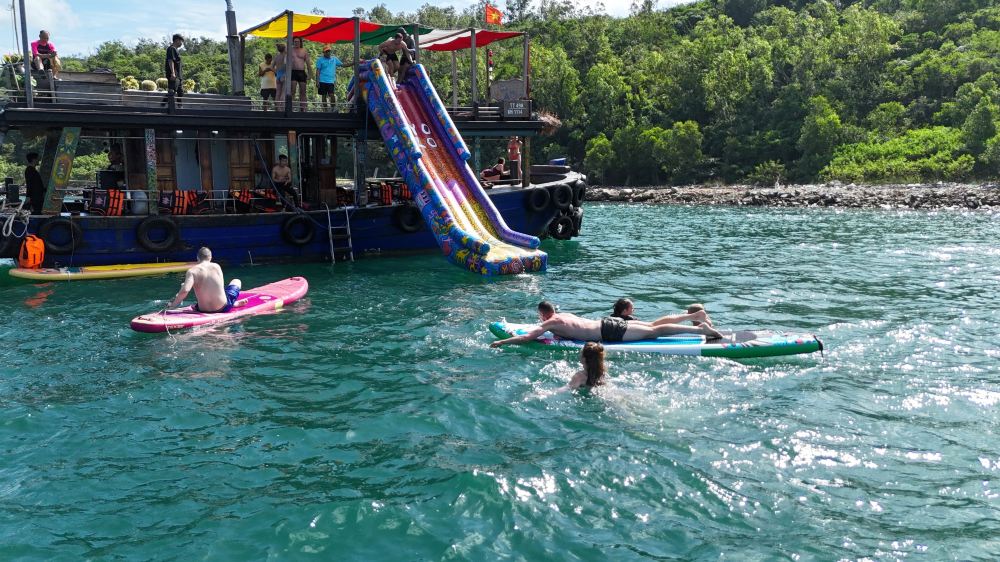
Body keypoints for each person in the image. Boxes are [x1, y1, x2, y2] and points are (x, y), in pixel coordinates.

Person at [490, 301, 723, 348]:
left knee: (654, 332)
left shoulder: (550, 323)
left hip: (608, 332)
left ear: (543, 315)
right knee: (653, 326)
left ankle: (698, 328)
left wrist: (502, 342)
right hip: (606, 323)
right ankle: (692, 317)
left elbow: (526, 337)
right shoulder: (563, 315)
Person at [164, 247, 245, 313]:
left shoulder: (192, 271)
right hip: (223, 307)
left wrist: (172, 306)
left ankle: (233, 303)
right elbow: (220, 287)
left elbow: (185, 290)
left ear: (197, 258)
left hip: (202, 309)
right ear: (210, 257)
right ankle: (232, 303)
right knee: (236, 281)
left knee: (185, 286)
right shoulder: (216, 266)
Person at [612, 298, 714, 328]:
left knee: (654, 325)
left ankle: (691, 315)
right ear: (624, 311)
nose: (634, 310)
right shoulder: (630, 320)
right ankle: (693, 316)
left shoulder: (611, 318)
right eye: (632, 308)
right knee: (653, 325)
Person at [315, 46, 354, 111]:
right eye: (326, 51)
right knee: (323, 96)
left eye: (329, 51)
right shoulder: (320, 60)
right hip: (322, 80)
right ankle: (325, 111)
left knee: (331, 94)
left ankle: (333, 109)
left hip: (330, 81)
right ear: (323, 52)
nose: (328, 53)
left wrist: (352, 63)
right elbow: (318, 71)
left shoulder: (334, 59)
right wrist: (317, 81)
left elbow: (343, 65)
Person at [289, 37, 311, 112]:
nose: (296, 43)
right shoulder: (290, 50)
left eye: (298, 41)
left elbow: (308, 63)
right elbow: (286, 61)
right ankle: (290, 108)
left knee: (303, 91)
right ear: (293, 42)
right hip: (293, 72)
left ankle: (303, 109)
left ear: (300, 42)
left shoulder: (304, 51)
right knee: (292, 91)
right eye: (295, 41)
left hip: (302, 72)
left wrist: (310, 74)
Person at [165, 34, 184, 105]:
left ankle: (180, 107)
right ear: (177, 40)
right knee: (172, 91)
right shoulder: (171, 49)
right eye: (181, 41)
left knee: (180, 92)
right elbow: (170, 60)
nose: (182, 43)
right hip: (174, 75)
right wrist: (173, 73)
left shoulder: (176, 50)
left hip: (178, 75)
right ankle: (162, 105)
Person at [274, 43, 287, 109]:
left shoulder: (276, 57)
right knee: (283, 93)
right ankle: (282, 108)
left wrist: (276, 72)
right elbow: (285, 65)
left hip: (278, 75)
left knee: (278, 92)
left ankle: (277, 108)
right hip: (284, 75)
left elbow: (271, 67)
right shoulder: (285, 56)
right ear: (284, 49)